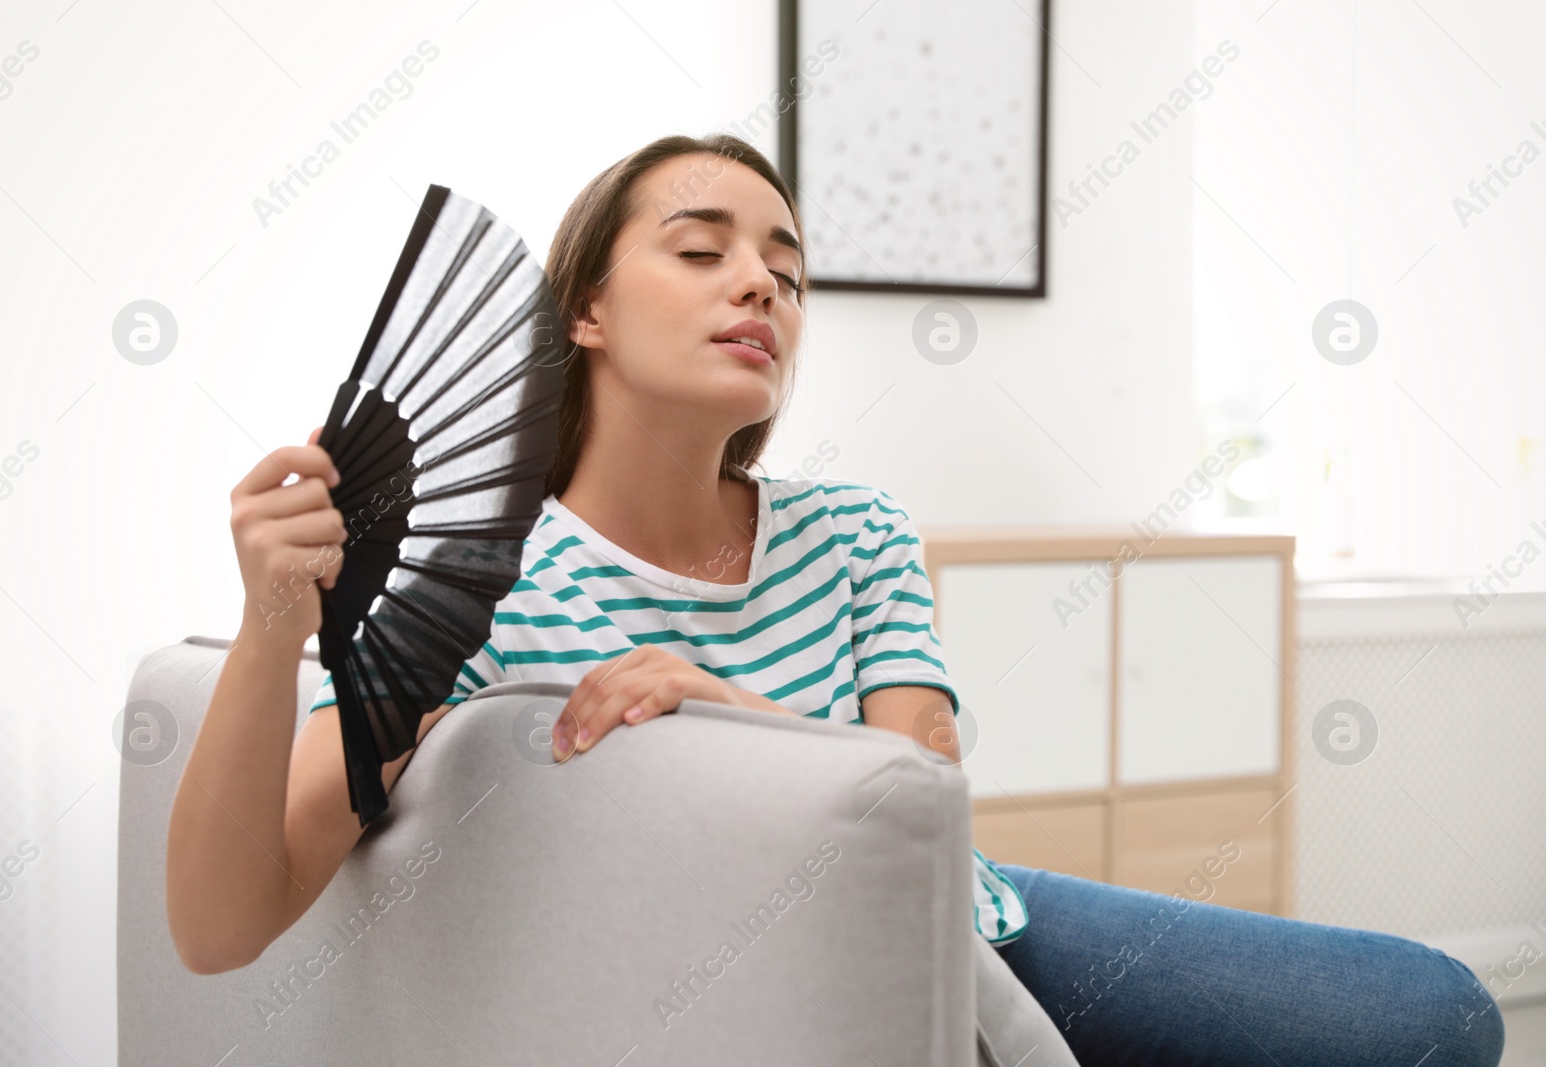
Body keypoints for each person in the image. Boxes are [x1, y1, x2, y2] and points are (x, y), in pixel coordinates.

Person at [165, 133, 1506, 1066]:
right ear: (583, 310)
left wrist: (733, 719)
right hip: (759, 995)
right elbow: (222, 925)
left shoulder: (857, 532)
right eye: (701, 250)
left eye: (788, 270)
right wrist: (275, 624)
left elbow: (921, 790)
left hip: (966, 919)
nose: (762, 283)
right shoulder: (479, 593)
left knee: (1440, 1016)